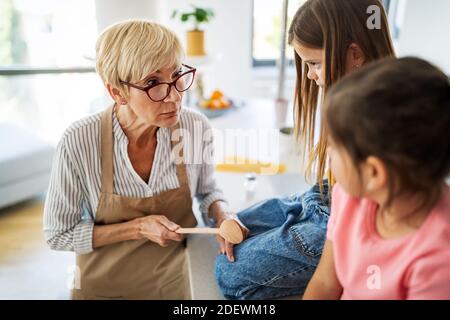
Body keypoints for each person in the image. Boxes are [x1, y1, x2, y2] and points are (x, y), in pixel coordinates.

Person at [215, 0, 395, 299]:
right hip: (326, 196)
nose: (310, 75)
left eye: (314, 63)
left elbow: (360, 221)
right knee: (235, 224)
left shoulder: (379, 119)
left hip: (345, 220)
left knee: (228, 272)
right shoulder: (350, 98)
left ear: (355, 54)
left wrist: (332, 269)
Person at [43, 20, 234, 299]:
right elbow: (58, 234)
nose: (175, 96)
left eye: (177, 74)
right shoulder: (79, 141)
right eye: (152, 83)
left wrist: (223, 215)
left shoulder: (195, 127)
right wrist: (138, 228)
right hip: (105, 285)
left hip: (177, 277)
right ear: (117, 93)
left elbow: (208, 191)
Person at [303, 57, 450, 300]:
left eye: (335, 147)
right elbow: (326, 280)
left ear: (374, 173)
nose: (327, 153)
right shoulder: (347, 196)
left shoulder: (438, 256)